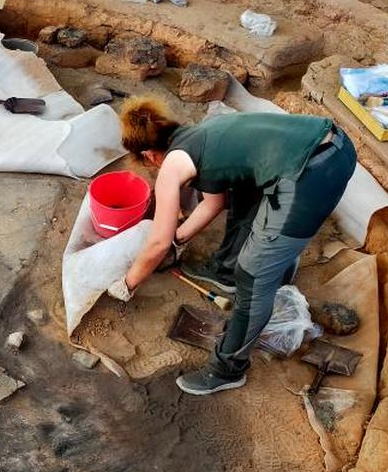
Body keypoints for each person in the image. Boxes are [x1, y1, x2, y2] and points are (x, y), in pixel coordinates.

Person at [107, 97, 357, 396]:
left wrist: (128, 282)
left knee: (252, 276)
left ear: (149, 155)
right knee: (243, 192)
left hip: (309, 176)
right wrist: (179, 241)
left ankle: (227, 369)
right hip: (333, 144)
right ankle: (227, 272)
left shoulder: (171, 167)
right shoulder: (203, 135)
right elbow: (214, 203)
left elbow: (157, 242)